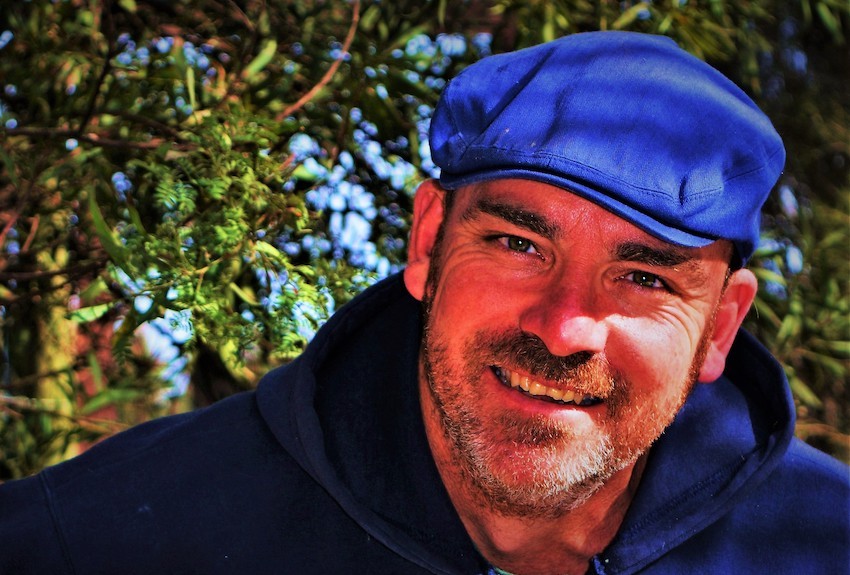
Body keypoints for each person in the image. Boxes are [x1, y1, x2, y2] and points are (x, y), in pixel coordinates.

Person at [1, 31, 847, 575]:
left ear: (722, 326)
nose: (563, 326)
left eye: (646, 278)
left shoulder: (825, 542)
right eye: (520, 245)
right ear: (428, 239)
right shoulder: (105, 537)